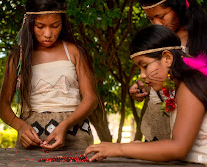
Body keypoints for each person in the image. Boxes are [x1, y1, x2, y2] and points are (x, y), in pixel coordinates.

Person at [85, 25, 207, 164]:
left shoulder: (189, 85)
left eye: (144, 66)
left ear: (167, 58)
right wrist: (140, 147)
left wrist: (118, 148)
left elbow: (178, 148)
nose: (142, 75)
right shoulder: (179, 85)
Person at [0, 0, 98, 150]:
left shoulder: (74, 51)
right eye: (40, 26)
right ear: (30, 23)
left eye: (55, 26)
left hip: (75, 132)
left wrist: (65, 125)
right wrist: (20, 127)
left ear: (62, 24)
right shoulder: (18, 58)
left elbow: (91, 98)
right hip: (31, 135)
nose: (48, 34)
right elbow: (3, 105)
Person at [129, 0, 207, 141]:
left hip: (191, 137)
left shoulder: (202, 39)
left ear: (179, 5)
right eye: (150, 19)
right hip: (155, 132)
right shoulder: (155, 39)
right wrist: (144, 86)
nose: (156, 24)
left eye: (161, 16)